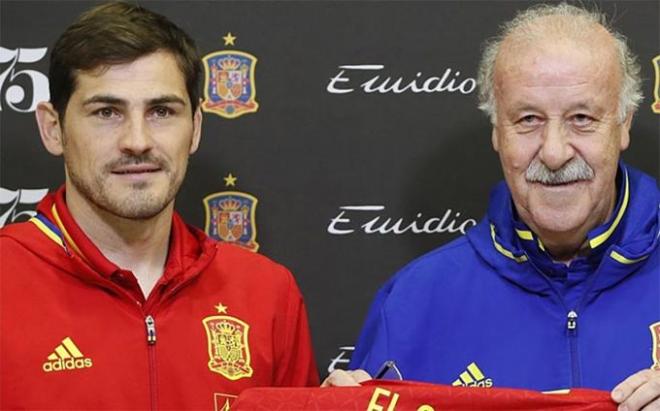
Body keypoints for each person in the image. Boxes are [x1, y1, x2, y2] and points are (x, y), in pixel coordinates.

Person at [324, 3, 659, 411]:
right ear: (497, 131)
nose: (554, 152)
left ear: (624, 124)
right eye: (528, 119)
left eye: (582, 118)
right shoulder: (415, 301)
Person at [0, 2, 318, 409]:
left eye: (162, 111)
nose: (137, 140)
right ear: (53, 128)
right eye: (107, 112)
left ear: (196, 128)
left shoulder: (268, 293)